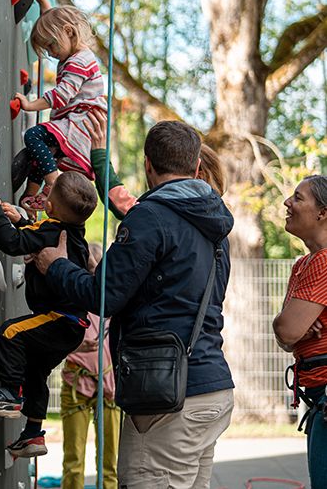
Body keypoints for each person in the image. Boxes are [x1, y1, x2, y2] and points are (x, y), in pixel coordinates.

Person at [35, 120, 235, 488]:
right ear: (195, 168)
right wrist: (99, 163)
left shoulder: (151, 217)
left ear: (147, 165)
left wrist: (57, 267)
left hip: (169, 395)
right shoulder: (215, 225)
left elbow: (104, 295)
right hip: (213, 387)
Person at [0, 171, 98, 458]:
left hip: (59, 318)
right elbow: (37, 235)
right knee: (35, 371)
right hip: (71, 325)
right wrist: (22, 221)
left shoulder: (50, 229)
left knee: (10, 333)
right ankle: (32, 435)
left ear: (50, 208)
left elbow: (12, 243)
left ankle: (9, 395)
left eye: (50, 189)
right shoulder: (73, 233)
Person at [13, 0, 107, 213]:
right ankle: (31, 196)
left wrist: (30, 105)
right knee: (41, 155)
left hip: (80, 123)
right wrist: (43, 3)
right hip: (76, 120)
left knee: (34, 136)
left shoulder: (78, 62)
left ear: (69, 32)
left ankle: (52, 181)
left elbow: (61, 95)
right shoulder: (74, 50)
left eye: (52, 45)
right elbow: (56, 23)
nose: (51, 52)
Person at [272, 174, 327, 488]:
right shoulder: (303, 265)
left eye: (298, 197)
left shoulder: (323, 263)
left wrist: (288, 326)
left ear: (322, 212)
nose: (287, 202)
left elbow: (288, 330)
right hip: (315, 397)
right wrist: (286, 326)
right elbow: (285, 335)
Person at [82, 110, 226, 221]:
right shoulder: (217, 216)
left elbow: (123, 203)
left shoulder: (167, 211)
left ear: (196, 172)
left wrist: (100, 156)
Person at [60, 242, 120, 489]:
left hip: (109, 386)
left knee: (110, 463)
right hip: (77, 382)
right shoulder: (70, 302)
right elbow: (52, 342)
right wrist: (75, 347)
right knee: (73, 461)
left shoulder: (113, 302)